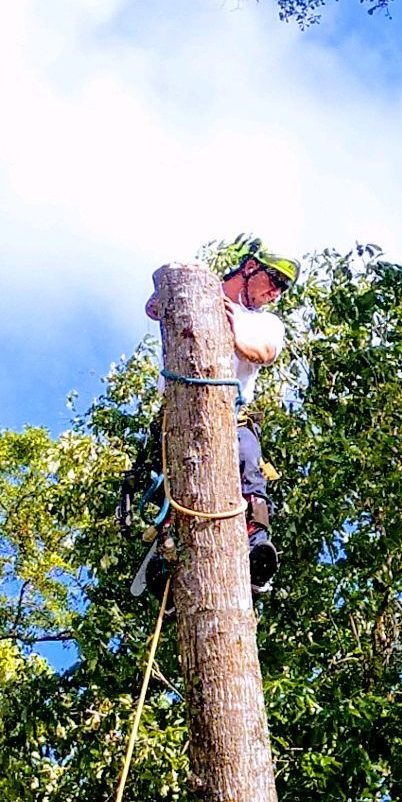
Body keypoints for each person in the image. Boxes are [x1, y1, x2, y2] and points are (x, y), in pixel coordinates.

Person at [141, 236, 298, 593]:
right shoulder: (204, 295)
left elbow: (264, 352)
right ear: (250, 268)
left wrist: (234, 334)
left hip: (231, 414)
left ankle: (256, 540)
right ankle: (168, 542)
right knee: (166, 472)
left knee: (246, 459)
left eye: (281, 289)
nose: (274, 293)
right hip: (179, 411)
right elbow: (154, 308)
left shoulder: (265, 323)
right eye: (273, 282)